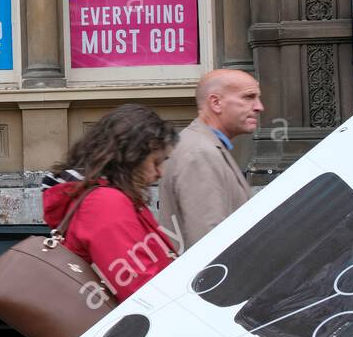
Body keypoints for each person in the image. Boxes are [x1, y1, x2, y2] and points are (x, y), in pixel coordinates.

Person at [42, 103, 179, 301]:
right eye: (155, 162)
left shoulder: (107, 197)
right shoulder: (106, 203)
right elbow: (137, 286)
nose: (160, 173)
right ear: (130, 157)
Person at [158, 68, 263, 251]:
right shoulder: (199, 153)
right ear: (216, 103)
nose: (259, 107)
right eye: (248, 97)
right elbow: (209, 244)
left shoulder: (204, 146)